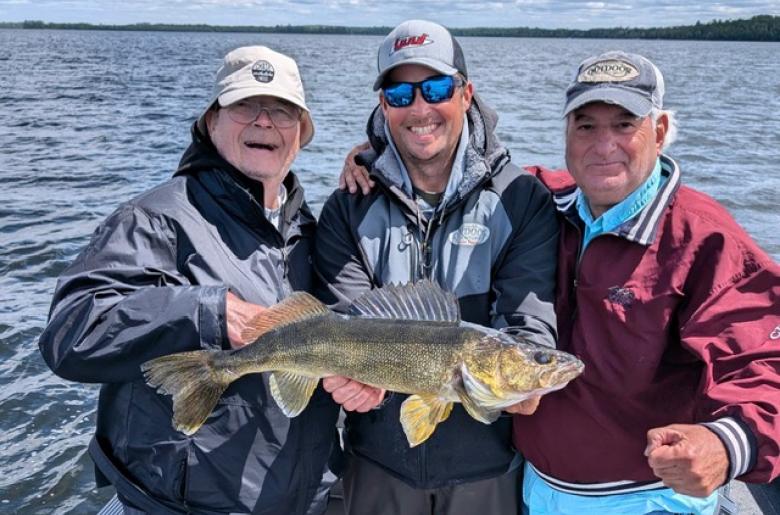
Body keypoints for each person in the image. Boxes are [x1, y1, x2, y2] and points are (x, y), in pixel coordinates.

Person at [38, 46, 340, 514]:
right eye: (245, 105)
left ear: (300, 133)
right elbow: (71, 333)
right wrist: (206, 313)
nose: (264, 121)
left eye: (282, 111)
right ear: (211, 122)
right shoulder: (154, 219)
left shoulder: (312, 232)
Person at [511, 51, 780, 514]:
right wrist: (381, 161)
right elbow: (462, 162)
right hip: (537, 489)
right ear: (566, 134)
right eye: (586, 126)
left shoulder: (704, 238)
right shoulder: (540, 202)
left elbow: (762, 360)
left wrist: (726, 443)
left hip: (651, 499)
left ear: (659, 132)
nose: (603, 146)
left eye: (624, 125)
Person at [315, 19, 559, 515]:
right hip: (377, 461)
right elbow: (345, 322)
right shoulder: (348, 204)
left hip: (487, 468)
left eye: (437, 88)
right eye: (400, 94)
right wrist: (350, 379)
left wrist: (528, 371)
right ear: (384, 105)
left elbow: (527, 320)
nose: (419, 108)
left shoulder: (521, 200)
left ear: (466, 94)